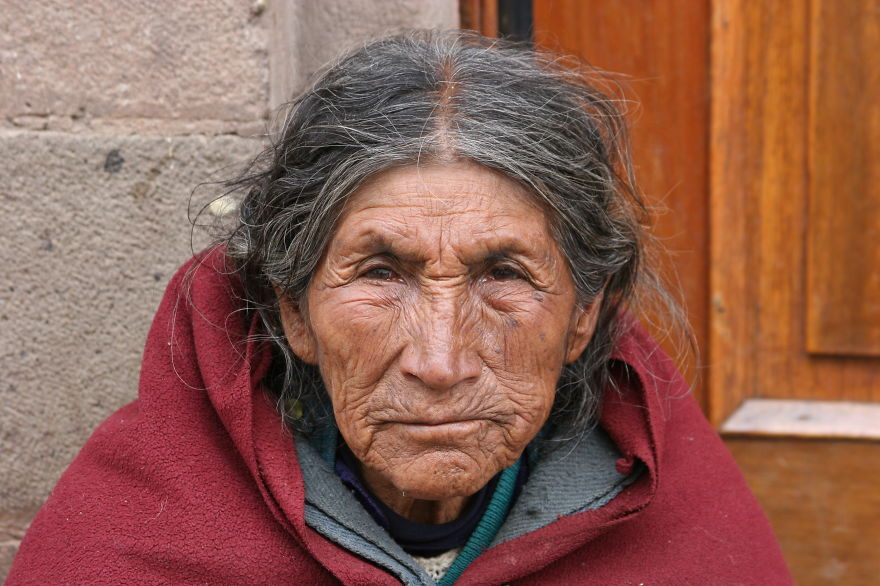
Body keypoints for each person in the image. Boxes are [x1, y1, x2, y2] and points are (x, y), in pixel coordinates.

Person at [7, 31, 791, 584]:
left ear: (584, 316)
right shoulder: (133, 536)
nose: (440, 362)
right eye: (381, 273)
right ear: (294, 311)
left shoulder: (684, 531)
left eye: (503, 275)